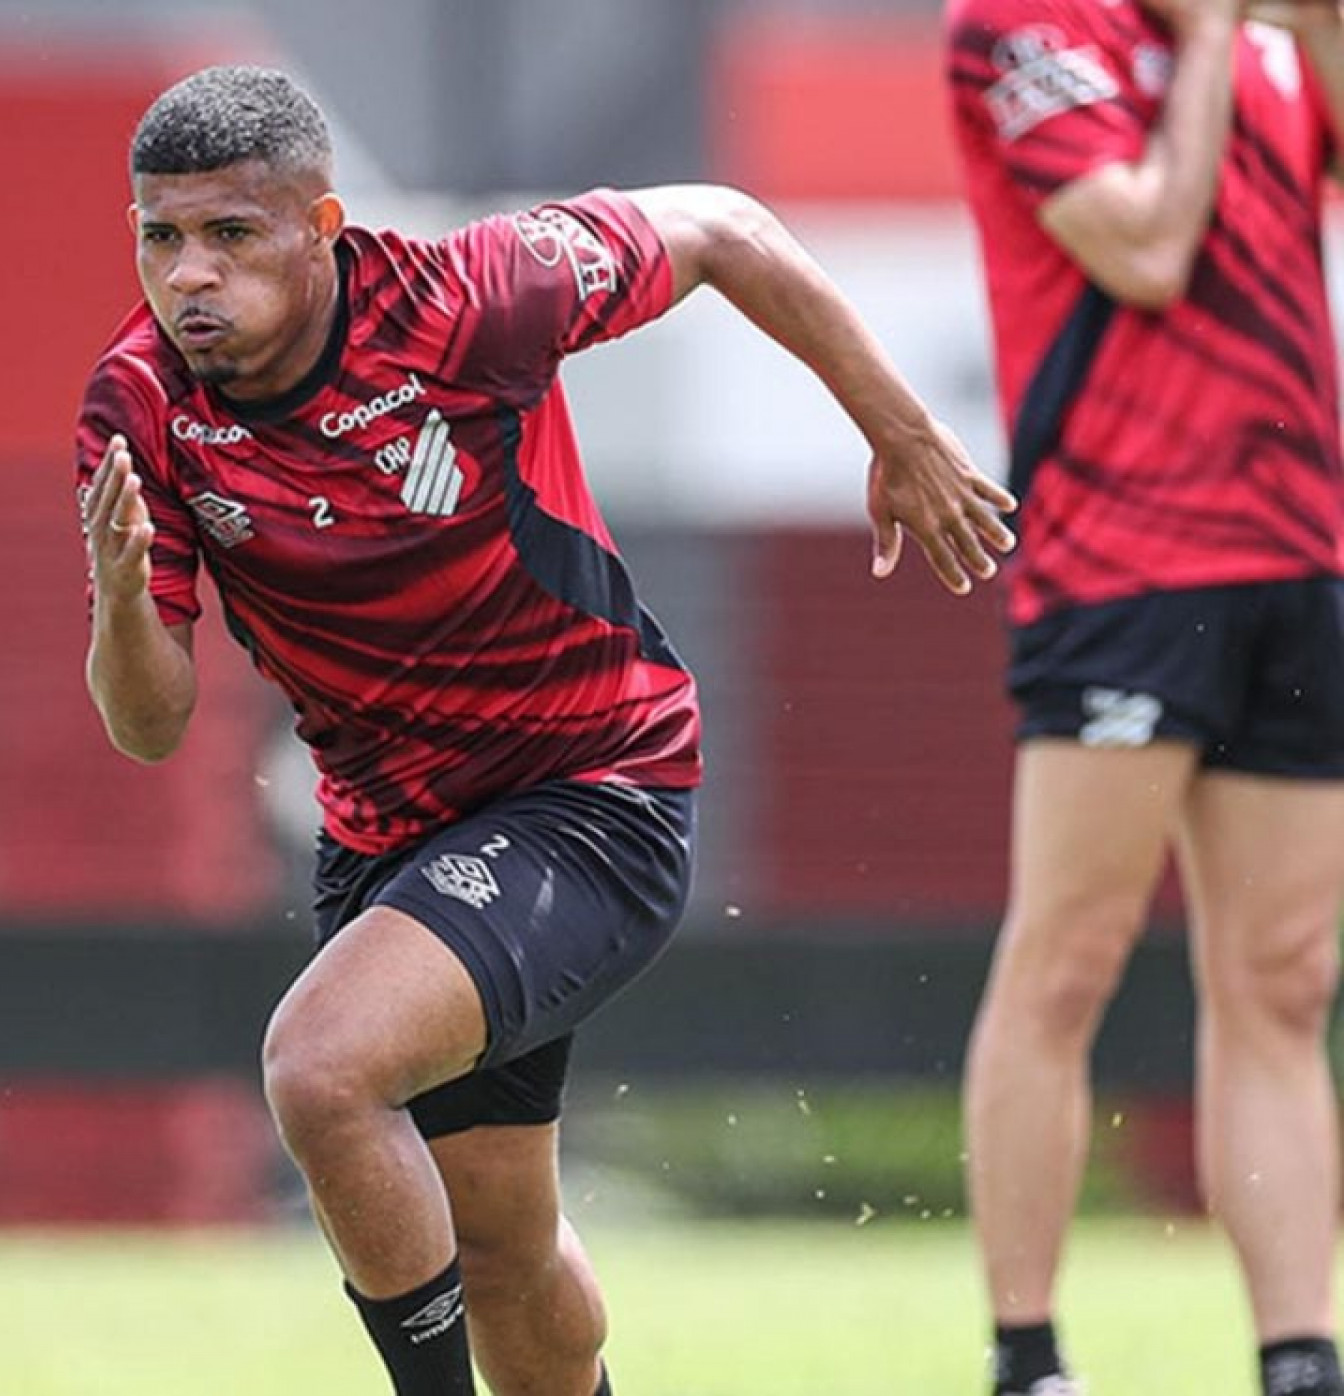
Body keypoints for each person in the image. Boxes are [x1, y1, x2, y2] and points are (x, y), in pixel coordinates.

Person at [78, 64, 1014, 1396]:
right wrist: (120, 601)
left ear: (322, 228)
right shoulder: (139, 408)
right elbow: (150, 726)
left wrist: (902, 433)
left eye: (231, 235)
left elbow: (727, 231)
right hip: (393, 844)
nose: (190, 277)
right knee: (506, 1251)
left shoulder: (470, 298)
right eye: (160, 238)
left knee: (322, 1069)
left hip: (593, 793)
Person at [946, 2, 1344, 1393]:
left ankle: (1302, 1357)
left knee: (1286, 979)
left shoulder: (1263, 35)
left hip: (1298, 557)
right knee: (1068, 959)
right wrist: (1225, 36)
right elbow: (1150, 246)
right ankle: (1029, 1354)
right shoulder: (1020, 27)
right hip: (1126, 566)